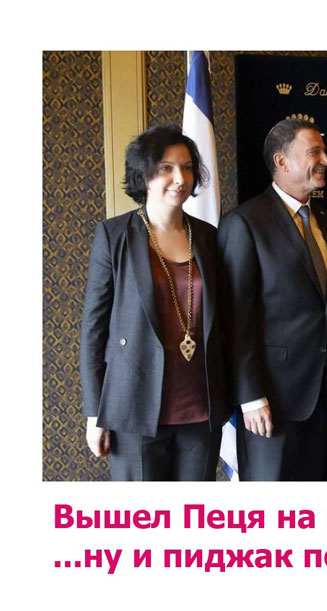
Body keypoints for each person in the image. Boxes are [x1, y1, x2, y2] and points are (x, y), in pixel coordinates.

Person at [80, 123, 228, 480]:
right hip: (134, 407)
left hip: (201, 407)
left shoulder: (209, 237)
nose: (180, 178)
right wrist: (95, 413)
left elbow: (226, 322)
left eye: (187, 167)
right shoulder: (114, 235)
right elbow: (93, 329)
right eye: (166, 168)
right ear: (144, 175)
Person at [218, 118, 327, 481]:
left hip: (321, 395)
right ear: (282, 161)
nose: (326, 160)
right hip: (268, 400)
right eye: (315, 152)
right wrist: (250, 397)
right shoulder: (244, 223)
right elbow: (235, 320)